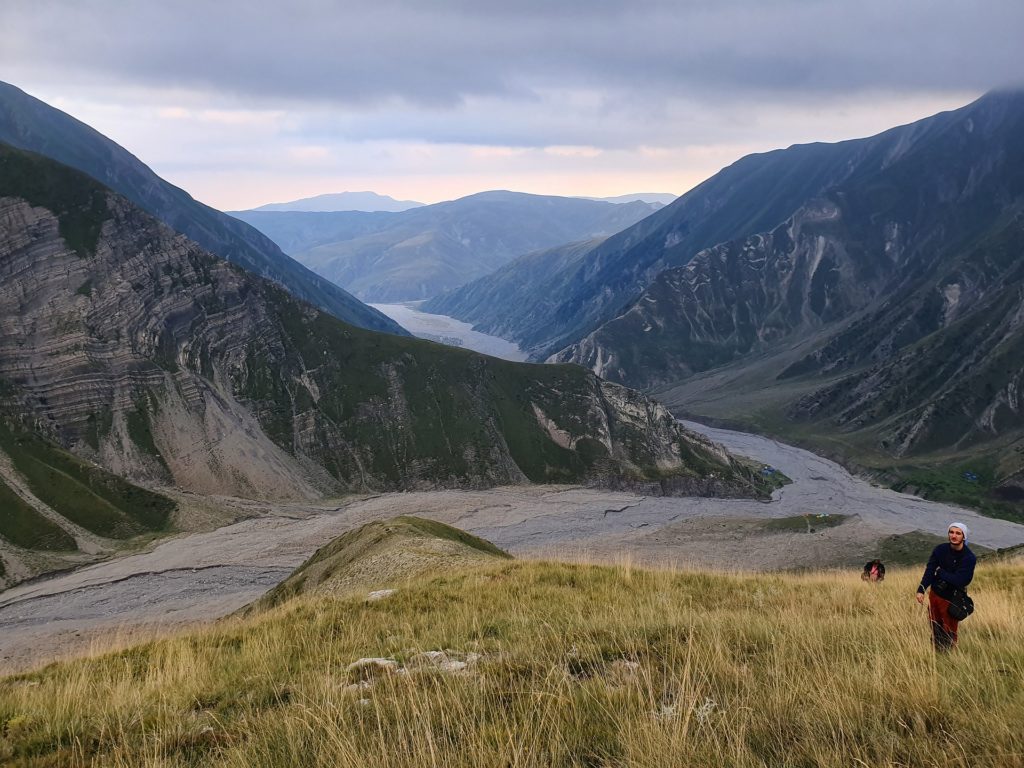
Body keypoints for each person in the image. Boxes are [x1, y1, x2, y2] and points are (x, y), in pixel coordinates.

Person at [915, 522, 976, 651]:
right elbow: (930, 570)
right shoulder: (940, 550)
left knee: (950, 628)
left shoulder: (969, 557)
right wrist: (921, 589)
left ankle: (949, 654)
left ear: (964, 537)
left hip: (952, 598)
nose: (954, 536)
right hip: (935, 594)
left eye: (958, 533)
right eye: (951, 532)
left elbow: (961, 581)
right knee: (934, 624)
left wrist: (941, 572)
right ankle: (936, 651)